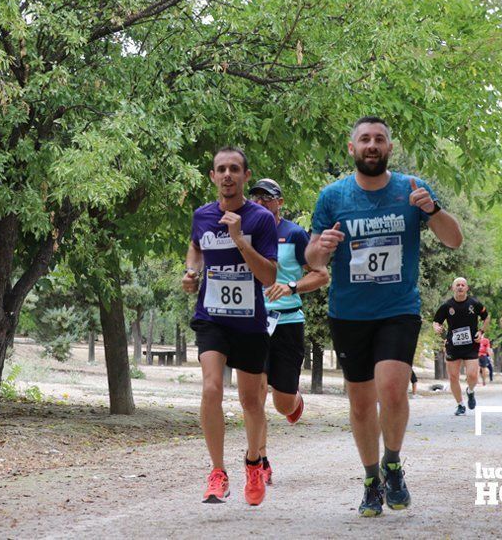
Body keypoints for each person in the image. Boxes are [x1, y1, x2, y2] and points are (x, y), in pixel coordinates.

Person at [305, 116, 462, 516]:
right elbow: (311, 257)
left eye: (379, 139)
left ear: (389, 148)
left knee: (392, 390)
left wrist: (433, 208)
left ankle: (393, 464)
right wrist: (321, 246)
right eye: (364, 139)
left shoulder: (411, 189)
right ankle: (372, 479)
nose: (371, 145)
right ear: (351, 147)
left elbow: (453, 239)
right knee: (360, 405)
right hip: (349, 313)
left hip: (398, 309)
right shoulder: (332, 196)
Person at [183, 147, 279, 505]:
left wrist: (239, 240)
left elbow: (269, 275)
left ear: (245, 176)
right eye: (221, 169)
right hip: (212, 317)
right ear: (212, 176)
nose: (227, 175)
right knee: (211, 388)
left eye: (234, 169)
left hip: (250, 322)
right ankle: (217, 472)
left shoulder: (260, 220)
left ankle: (253, 462)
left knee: (251, 401)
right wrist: (191, 272)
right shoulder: (202, 216)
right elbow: (196, 248)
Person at [248, 177, 330, 485]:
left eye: (267, 197)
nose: (260, 202)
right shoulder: (246, 234)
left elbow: (322, 275)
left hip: (287, 323)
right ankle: (259, 459)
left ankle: (294, 400)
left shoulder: (294, 234)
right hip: (253, 324)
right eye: (255, 197)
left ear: (280, 202)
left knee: (281, 404)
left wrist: (291, 285)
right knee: (254, 397)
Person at [432, 278, 490, 415]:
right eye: (457, 285)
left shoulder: (474, 303)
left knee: (472, 375)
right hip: (453, 345)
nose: (460, 287)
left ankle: (470, 391)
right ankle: (460, 405)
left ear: (467, 288)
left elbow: (486, 317)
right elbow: (436, 321)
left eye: (462, 285)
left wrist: (481, 332)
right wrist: (436, 327)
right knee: (453, 377)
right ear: (453, 288)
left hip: (471, 345)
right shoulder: (447, 306)